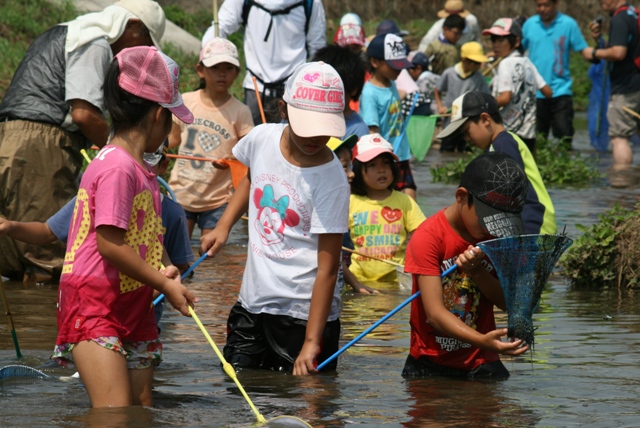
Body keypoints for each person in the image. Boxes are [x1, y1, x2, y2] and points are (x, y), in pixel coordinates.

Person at [51, 46, 197, 408]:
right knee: (114, 412)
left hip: (133, 300)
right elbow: (109, 244)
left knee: (141, 408)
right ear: (158, 116)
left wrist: (164, 263)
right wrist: (163, 282)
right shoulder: (117, 166)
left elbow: (145, 233)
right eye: (172, 119)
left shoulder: (142, 170)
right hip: (94, 302)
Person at [200, 62, 350, 375]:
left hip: (303, 313)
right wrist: (223, 227)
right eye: (307, 126)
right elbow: (252, 178)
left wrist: (312, 340)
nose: (315, 137)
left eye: (324, 128)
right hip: (254, 302)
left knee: (308, 405)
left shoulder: (331, 179)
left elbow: (328, 268)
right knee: (238, 385)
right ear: (283, 108)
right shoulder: (261, 139)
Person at [0, 0, 167, 282]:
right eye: (146, 42)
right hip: (41, 145)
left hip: (13, 137)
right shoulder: (95, 42)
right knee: (46, 262)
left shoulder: (69, 30)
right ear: (132, 26)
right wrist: (125, 151)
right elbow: (84, 115)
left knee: (12, 256)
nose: (142, 53)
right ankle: (46, 326)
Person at [403, 151, 530, 379]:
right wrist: (482, 340)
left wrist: (477, 272)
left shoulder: (498, 239)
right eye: (487, 218)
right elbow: (435, 314)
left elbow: (507, 303)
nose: (492, 228)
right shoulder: (428, 237)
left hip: (482, 360)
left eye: (500, 221)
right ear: (462, 196)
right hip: (430, 361)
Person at [168, 37, 254, 239]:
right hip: (182, 193)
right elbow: (172, 140)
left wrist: (232, 161)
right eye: (215, 67)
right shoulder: (186, 101)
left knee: (211, 251)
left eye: (228, 68)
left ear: (237, 74)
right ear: (201, 70)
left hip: (218, 199)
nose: (222, 73)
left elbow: (248, 153)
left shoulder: (241, 112)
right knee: (178, 251)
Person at [437, 91, 557, 235]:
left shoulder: (503, 144)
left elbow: (514, 195)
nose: (467, 139)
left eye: (467, 131)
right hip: (532, 224)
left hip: (533, 225)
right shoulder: (502, 143)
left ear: (485, 119)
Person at [203, 0, 327, 125]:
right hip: (255, 86)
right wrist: (210, 57)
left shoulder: (311, 3)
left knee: (287, 141)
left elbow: (317, 48)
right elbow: (220, 27)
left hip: (293, 89)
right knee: (252, 139)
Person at [348, 134, 426, 284]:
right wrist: (354, 284)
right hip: (360, 283)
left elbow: (423, 236)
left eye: (386, 163)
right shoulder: (351, 202)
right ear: (358, 170)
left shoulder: (404, 201)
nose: (381, 170)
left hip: (398, 282)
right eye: (372, 165)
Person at [522, 0, 593, 150]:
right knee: (536, 140)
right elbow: (518, 50)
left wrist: (601, 52)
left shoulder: (568, 24)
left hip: (561, 91)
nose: (542, 9)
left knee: (564, 137)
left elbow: (584, 50)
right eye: (538, 5)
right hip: (535, 92)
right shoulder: (529, 24)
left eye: (546, 5)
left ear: (556, 4)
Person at [483, 18, 553, 156]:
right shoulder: (527, 63)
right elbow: (548, 92)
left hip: (507, 134)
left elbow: (505, 97)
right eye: (493, 40)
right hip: (528, 133)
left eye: (501, 40)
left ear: (516, 41)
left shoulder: (506, 64)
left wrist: (483, 104)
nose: (495, 45)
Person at [360, 33, 417, 200]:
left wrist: (403, 94)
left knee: (411, 198)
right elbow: (373, 133)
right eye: (394, 65)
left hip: (402, 154)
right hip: (386, 158)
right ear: (375, 62)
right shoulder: (369, 94)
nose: (399, 69)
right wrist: (381, 163)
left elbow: (394, 96)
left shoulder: (391, 83)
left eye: (401, 65)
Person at [327, 135, 379, 295]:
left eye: (350, 166)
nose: (351, 174)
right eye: (344, 167)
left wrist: (356, 285)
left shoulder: (338, 206)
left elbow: (335, 257)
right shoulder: (323, 213)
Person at [590, 0, 640, 166]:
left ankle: (622, 184)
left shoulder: (620, 19)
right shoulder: (634, 14)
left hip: (626, 88)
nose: (600, 2)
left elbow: (618, 53)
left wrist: (594, 52)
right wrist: (600, 40)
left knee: (619, 137)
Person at [434, 41, 490, 152]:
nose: (479, 66)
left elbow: (486, 96)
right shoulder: (449, 73)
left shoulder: (479, 78)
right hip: (450, 122)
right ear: (465, 60)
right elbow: (437, 89)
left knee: (467, 151)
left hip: (469, 123)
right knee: (446, 150)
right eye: (476, 63)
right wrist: (440, 106)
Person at [312, 45, 369, 138]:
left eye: (333, 88)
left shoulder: (357, 130)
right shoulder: (307, 114)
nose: (325, 93)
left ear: (354, 89)